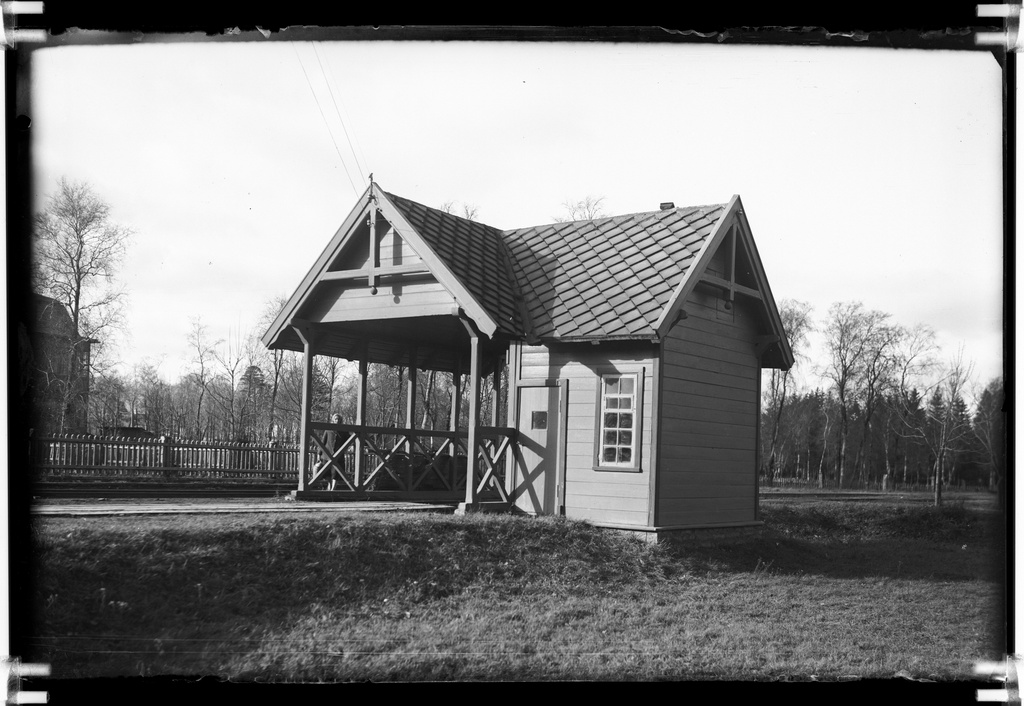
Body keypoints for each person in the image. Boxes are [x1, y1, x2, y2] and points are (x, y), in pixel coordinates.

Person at [318, 413, 345, 491]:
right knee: (327, 473)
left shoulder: (343, 431)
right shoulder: (328, 430)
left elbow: (349, 439)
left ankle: (333, 489)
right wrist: (319, 454)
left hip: (338, 456)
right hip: (327, 455)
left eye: (339, 419)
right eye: (336, 419)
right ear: (333, 420)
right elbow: (323, 441)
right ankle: (329, 487)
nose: (337, 421)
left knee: (336, 473)